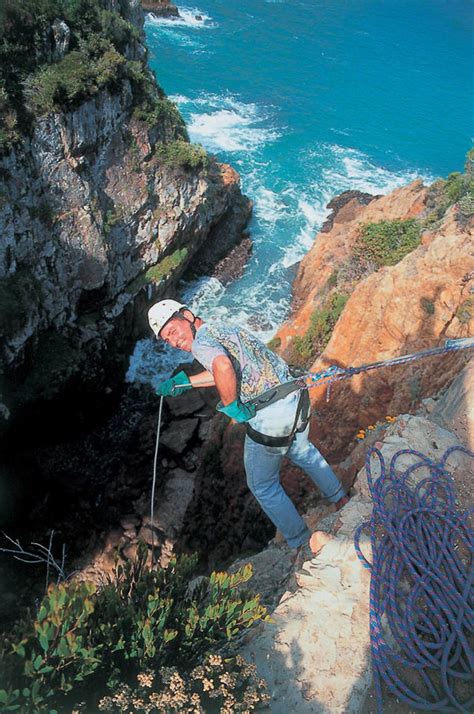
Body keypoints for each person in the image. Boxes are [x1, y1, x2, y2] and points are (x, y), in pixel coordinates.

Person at [148, 299, 348, 559]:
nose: (174, 341)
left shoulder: (201, 343)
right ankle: (341, 500)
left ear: (186, 315)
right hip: (295, 398)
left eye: (173, 331)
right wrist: (186, 383)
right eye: (166, 340)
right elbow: (225, 368)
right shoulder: (222, 326)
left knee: (262, 484)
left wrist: (231, 405)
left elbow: (222, 366)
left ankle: (300, 543)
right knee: (302, 451)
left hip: (272, 416)